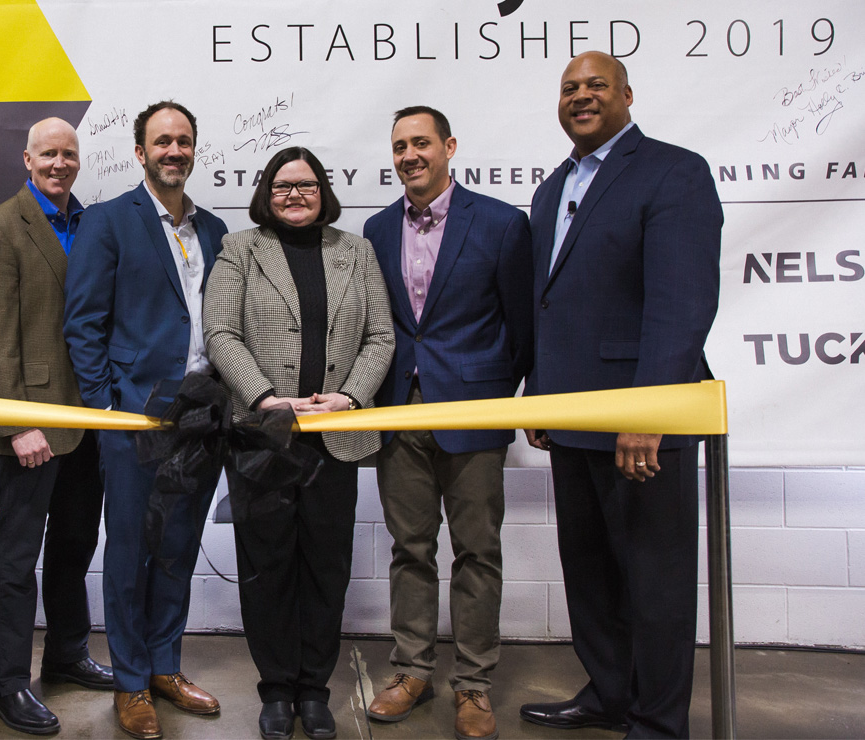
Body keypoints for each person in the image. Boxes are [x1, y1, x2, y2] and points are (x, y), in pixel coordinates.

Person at [518, 52, 722, 739]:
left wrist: (650, 411)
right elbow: (551, 303)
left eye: (595, 85)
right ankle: (610, 694)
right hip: (571, 422)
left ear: (627, 95)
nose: (581, 96)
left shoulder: (673, 171)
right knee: (591, 578)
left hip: (642, 424)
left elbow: (682, 303)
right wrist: (540, 396)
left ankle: (659, 723)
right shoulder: (552, 190)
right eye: (570, 88)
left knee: (655, 585)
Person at [204, 147, 394, 740]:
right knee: (268, 566)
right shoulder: (240, 248)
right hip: (263, 437)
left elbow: (381, 336)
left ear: (323, 191)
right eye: (283, 186)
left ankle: (316, 689)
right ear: (266, 192)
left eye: (306, 185)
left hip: (333, 435)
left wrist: (353, 398)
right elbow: (220, 332)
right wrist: (263, 398)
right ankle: (276, 690)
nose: (295, 195)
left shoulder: (355, 250)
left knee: (325, 566)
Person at [362, 107, 534, 740]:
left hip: (473, 413)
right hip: (399, 413)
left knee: (477, 551)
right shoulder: (377, 230)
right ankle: (411, 670)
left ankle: (474, 684)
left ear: (449, 147)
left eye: (421, 143)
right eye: (400, 145)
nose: (410, 155)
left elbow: (522, 328)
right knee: (410, 549)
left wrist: (494, 393)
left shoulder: (500, 223)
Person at [64, 100, 229, 740]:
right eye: (162, 141)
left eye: (183, 141)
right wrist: (107, 407)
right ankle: (130, 682)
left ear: (194, 149)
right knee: (131, 551)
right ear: (140, 152)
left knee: (179, 548)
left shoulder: (214, 230)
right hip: (134, 417)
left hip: (201, 416)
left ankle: (165, 665)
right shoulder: (109, 222)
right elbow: (83, 324)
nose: (174, 151)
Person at [0, 117, 114, 735]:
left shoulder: (92, 223)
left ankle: (67, 652)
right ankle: (6, 684)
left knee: (75, 547)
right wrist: (19, 422)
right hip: (33, 423)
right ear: (27, 159)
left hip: (89, 419)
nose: (59, 163)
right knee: (15, 556)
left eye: (68, 154)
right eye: (48, 154)